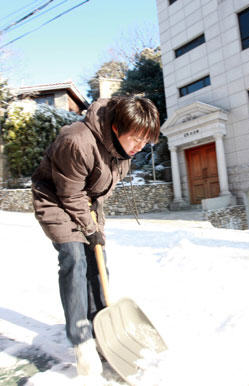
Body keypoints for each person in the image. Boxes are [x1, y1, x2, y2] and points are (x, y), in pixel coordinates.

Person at [31, 96, 160, 377]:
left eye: (146, 141)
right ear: (116, 128)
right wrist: (88, 228)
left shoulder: (124, 157)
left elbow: (95, 196)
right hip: (54, 197)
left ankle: (102, 326)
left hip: (85, 204)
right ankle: (81, 339)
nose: (140, 147)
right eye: (136, 138)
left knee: (98, 262)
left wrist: (96, 229)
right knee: (74, 258)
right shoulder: (77, 140)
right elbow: (69, 193)